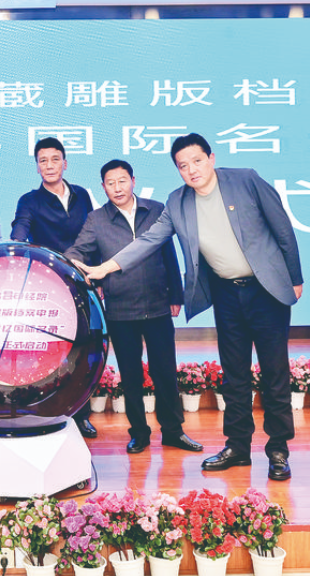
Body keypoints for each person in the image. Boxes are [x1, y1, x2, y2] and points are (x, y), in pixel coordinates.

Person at [80, 133, 303, 481]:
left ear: (211, 158)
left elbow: (282, 228)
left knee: (275, 374)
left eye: (197, 161)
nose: (192, 170)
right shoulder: (178, 202)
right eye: (183, 166)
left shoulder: (245, 180)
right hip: (226, 294)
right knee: (234, 375)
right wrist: (106, 267)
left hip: (266, 292)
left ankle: (278, 450)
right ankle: (238, 447)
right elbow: (149, 240)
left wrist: (295, 277)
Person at [66, 160, 202, 454]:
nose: (117, 188)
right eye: (110, 183)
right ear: (103, 187)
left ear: (133, 181)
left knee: (165, 371)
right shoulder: (96, 220)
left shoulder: (155, 210)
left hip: (157, 305)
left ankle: (173, 431)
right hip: (121, 309)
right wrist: (66, 263)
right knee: (131, 376)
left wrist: (176, 295)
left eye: (122, 181)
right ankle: (139, 433)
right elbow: (79, 250)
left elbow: (168, 253)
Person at [11, 136, 97, 439]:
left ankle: (81, 415)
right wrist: (15, 245)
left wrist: (97, 279)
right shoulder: (29, 200)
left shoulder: (82, 195)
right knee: (49, 354)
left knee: (83, 352)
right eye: (43, 161)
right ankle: (48, 412)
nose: (49, 165)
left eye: (55, 159)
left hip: (82, 284)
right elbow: (21, 227)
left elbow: (95, 235)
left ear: (65, 163)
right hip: (47, 287)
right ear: (37, 167)